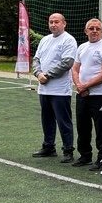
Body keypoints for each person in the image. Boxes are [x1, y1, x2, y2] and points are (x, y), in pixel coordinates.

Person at [31, 12, 78, 162]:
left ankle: (68, 150)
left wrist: (47, 75)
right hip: (44, 89)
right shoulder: (44, 40)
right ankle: (49, 146)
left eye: (56, 22)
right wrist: (38, 73)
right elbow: (36, 59)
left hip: (60, 91)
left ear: (64, 23)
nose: (53, 24)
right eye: (51, 22)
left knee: (63, 121)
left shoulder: (69, 40)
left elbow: (67, 63)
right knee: (47, 119)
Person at [71, 18, 102, 170]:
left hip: (99, 96)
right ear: (86, 31)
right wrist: (79, 86)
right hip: (82, 94)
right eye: (91, 28)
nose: (94, 31)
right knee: (82, 127)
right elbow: (75, 69)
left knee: (101, 129)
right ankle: (85, 156)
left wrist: (85, 86)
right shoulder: (82, 47)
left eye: (97, 28)